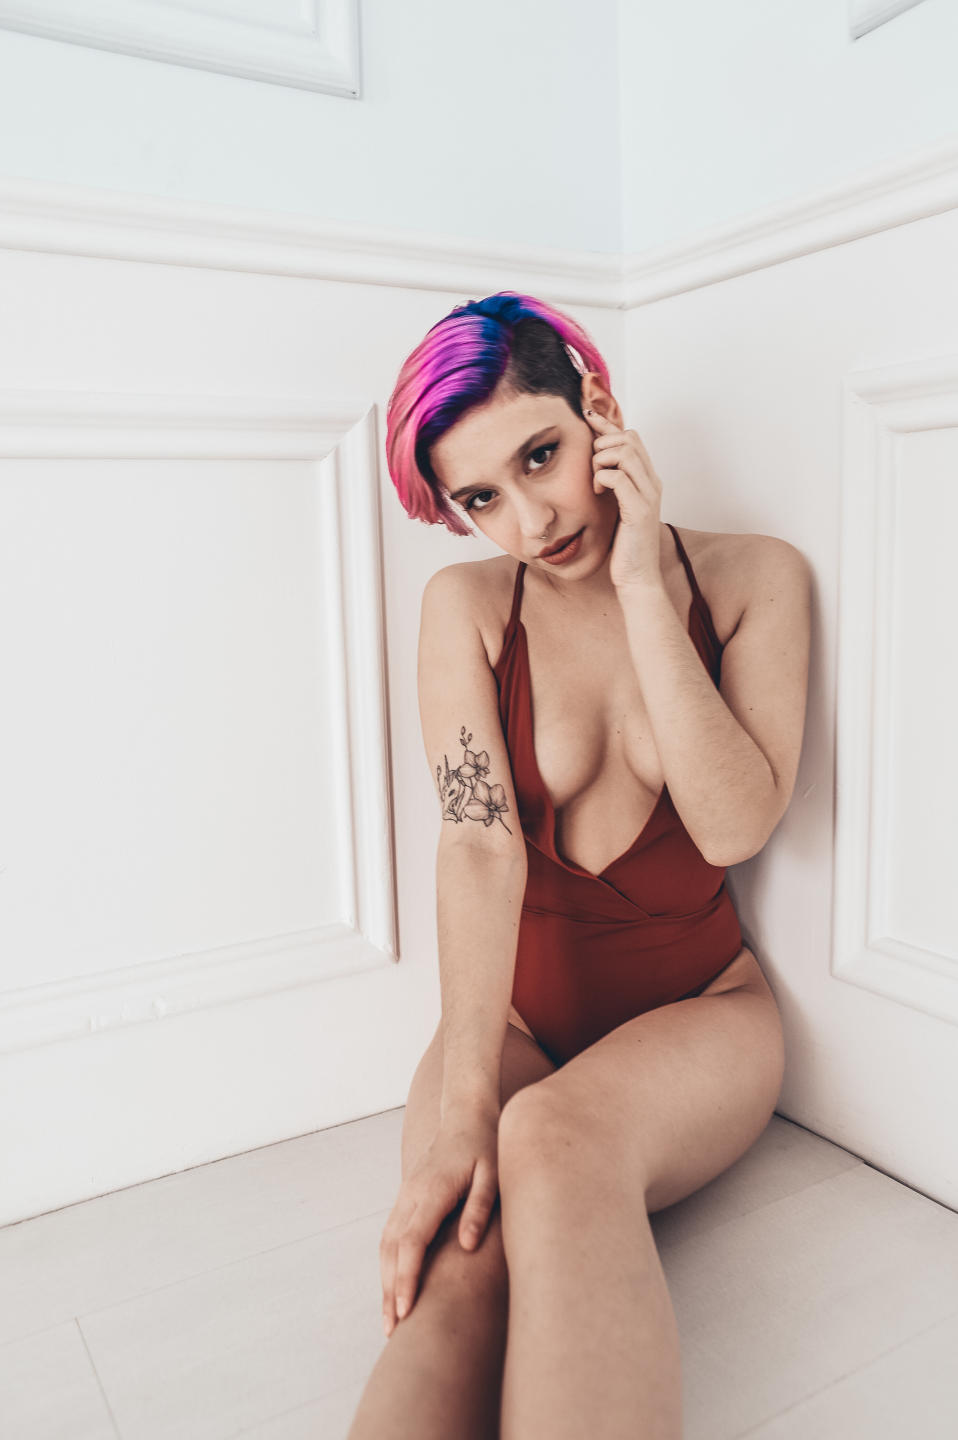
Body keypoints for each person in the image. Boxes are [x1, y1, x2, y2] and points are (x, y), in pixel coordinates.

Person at [346, 291, 811, 1440]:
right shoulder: (465, 608)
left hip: (703, 1014)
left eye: (540, 456)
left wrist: (643, 580)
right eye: (480, 499)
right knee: (456, 1259)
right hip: (517, 1022)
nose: (530, 521)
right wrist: (463, 1108)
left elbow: (732, 826)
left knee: (554, 1142)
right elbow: (475, 841)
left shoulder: (753, 580)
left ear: (596, 407)